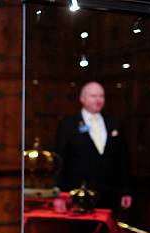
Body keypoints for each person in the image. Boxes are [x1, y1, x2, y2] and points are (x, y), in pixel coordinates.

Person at [55, 81, 132, 210]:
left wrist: (126, 191)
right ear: (82, 99)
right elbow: (60, 160)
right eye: (93, 96)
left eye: (101, 96)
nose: (98, 100)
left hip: (111, 195)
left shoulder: (115, 124)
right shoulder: (68, 125)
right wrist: (58, 195)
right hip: (78, 195)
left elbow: (123, 159)